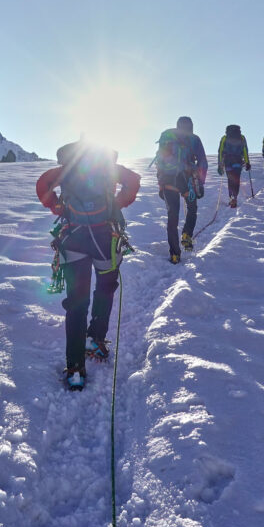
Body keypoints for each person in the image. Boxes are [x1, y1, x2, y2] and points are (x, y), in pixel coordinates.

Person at [37, 139, 141, 391]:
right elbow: (134, 181)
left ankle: (74, 368)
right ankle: (95, 339)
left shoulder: (67, 168)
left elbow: (42, 185)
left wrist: (57, 206)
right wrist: (117, 204)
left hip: (73, 238)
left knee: (76, 302)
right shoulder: (108, 167)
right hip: (105, 237)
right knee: (105, 287)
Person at [155, 116, 208, 264]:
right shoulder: (194, 139)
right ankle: (186, 235)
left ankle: (174, 254)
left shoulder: (167, 136)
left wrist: (160, 181)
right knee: (192, 208)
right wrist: (200, 182)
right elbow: (203, 161)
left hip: (167, 179)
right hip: (186, 180)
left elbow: (160, 159)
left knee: (172, 216)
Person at [217, 124, 250, 208]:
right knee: (236, 179)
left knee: (230, 180)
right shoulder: (242, 137)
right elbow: (245, 150)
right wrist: (247, 162)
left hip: (228, 161)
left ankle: (231, 197)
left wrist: (220, 165)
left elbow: (220, 151)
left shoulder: (224, 138)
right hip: (238, 161)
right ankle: (234, 197)